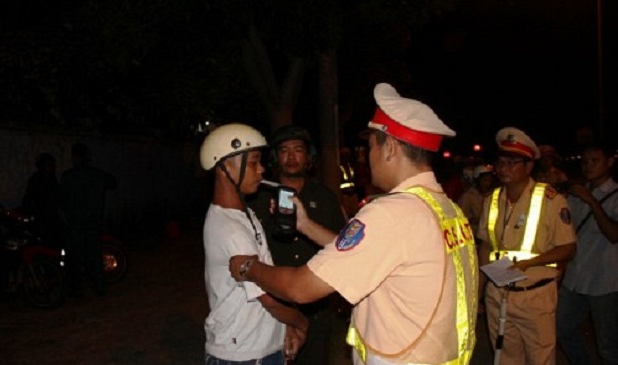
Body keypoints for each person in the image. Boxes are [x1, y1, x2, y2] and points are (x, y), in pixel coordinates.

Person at [229, 83, 479, 364]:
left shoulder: (392, 213)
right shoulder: (445, 207)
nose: (366, 156)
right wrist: (306, 224)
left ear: (390, 148)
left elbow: (300, 287)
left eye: (370, 146)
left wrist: (248, 267)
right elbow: (367, 253)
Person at [199, 123, 308, 365]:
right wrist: (299, 322)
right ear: (225, 167)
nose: (261, 170)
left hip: (259, 348)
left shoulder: (242, 212)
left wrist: (282, 330)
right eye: (253, 162)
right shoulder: (231, 229)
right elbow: (269, 299)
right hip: (242, 356)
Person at [476, 127, 577, 365]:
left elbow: (568, 248)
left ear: (529, 166)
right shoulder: (492, 200)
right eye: (500, 162)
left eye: (512, 162)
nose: (504, 168)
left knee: (540, 359)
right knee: (505, 359)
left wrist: (528, 263)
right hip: (497, 293)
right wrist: (481, 289)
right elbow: (485, 245)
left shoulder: (550, 200)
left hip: (535, 295)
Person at [248, 125, 347, 365]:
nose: (291, 157)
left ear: (308, 157)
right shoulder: (258, 198)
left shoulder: (325, 198)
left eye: (298, 150)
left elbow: (342, 248)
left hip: (317, 308)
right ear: (275, 157)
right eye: (284, 150)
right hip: (273, 307)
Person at [557, 140, 618, 365]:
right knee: (561, 327)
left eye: (595, 161)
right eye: (585, 162)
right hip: (575, 277)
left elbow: (613, 234)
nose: (588, 166)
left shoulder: (614, 194)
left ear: (609, 162)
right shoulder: (576, 193)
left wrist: (591, 201)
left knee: (607, 344)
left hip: (605, 281)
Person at [61, 143, 117, 297]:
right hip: (93, 223)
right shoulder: (97, 175)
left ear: (74, 157)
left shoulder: (68, 177)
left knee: (75, 258)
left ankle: (76, 290)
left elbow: (62, 200)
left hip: (75, 224)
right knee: (93, 256)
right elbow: (113, 182)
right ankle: (99, 287)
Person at [22, 152, 63, 248]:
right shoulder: (36, 180)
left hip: (52, 219)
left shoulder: (52, 179)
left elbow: (57, 197)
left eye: (53, 165)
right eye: (50, 165)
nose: (53, 167)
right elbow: (28, 200)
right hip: (41, 220)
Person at [457, 164, 496, 240]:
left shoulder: (493, 195)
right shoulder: (467, 197)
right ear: (477, 180)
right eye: (485, 180)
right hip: (474, 237)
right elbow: (461, 219)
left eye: (490, 180)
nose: (488, 183)